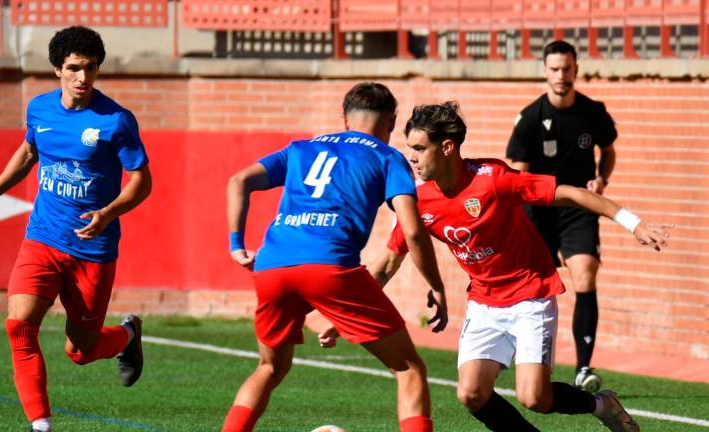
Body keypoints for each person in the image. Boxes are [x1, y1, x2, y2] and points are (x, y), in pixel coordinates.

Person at [368, 102, 670, 432]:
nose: (411, 157)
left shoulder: (493, 179)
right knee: (471, 393)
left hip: (531, 294)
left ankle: (601, 404)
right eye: (409, 148)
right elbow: (386, 264)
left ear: (447, 147)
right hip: (484, 302)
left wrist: (633, 223)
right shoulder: (418, 201)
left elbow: (568, 193)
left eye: (419, 148)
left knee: (534, 397)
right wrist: (346, 308)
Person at [222, 82, 448, 432]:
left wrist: (237, 244)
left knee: (269, 368)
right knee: (409, 369)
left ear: (345, 120)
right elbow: (413, 230)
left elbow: (239, 181)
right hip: (330, 266)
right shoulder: (388, 156)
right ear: (391, 122)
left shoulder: (301, 148)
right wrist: (436, 286)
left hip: (271, 265)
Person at [0, 26, 151, 432]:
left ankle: (127, 335)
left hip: (93, 248)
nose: (83, 78)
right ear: (57, 70)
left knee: (81, 351)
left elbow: (142, 181)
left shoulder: (117, 121)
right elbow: (30, 151)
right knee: (18, 325)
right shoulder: (40, 109)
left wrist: (108, 213)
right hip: (43, 238)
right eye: (74, 69)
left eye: (90, 69)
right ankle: (41, 426)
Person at [506, 40, 618, 392]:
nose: (561, 76)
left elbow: (608, 150)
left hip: (579, 210)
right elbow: (517, 176)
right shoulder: (529, 119)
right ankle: (522, 357)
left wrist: (602, 178)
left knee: (585, 275)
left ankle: (584, 368)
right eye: (554, 69)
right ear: (545, 71)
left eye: (566, 69)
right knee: (533, 287)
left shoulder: (592, 112)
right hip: (537, 213)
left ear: (576, 71)